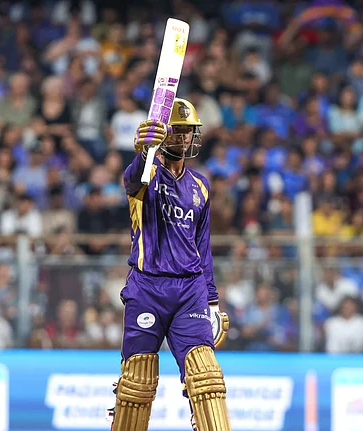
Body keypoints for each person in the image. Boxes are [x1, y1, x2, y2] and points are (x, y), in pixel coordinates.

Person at [108, 98, 231, 431]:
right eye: (177, 132)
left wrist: (212, 300)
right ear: (164, 135)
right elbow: (133, 179)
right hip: (148, 286)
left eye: (189, 133)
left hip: (190, 289)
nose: (184, 139)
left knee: (206, 378)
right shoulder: (146, 178)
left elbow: (202, 248)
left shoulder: (202, 186)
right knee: (137, 382)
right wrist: (142, 152)